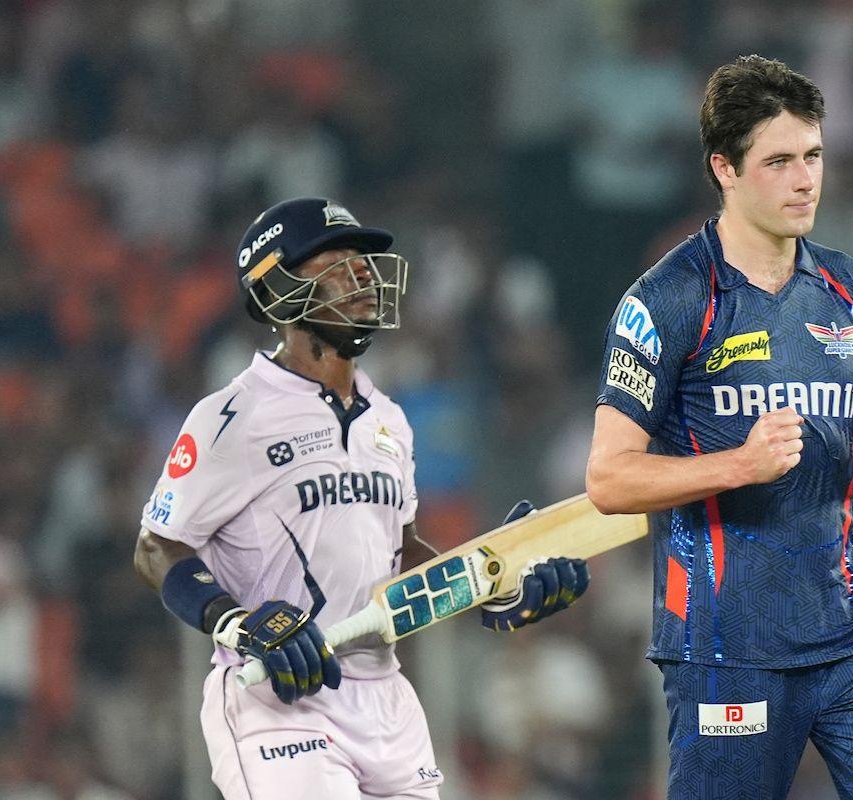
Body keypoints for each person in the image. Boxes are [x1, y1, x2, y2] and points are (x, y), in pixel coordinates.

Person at [586, 56, 853, 799]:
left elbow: (849, 454)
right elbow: (609, 479)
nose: (805, 181)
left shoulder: (850, 289)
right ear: (724, 168)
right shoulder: (667, 300)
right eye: (778, 162)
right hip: (726, 646)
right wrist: (739, 465)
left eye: (813, 156)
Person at [133, 197, 589, 800]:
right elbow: (156, 547)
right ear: (277, 290)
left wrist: (489, 585)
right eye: (335, 265)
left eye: (362, 263)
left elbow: (400, 555)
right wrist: (238, 624)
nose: (363, 277)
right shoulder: (230, 417)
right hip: (281, 692)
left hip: (386, 696)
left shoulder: (389, 420)